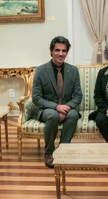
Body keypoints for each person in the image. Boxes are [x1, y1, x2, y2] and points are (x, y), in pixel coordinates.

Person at [32, 36, 83, 168]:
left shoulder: (73, 70)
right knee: (53, 115)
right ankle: (49, 152)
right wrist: (56, 107)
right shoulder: (40, 70)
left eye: (64, 51)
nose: (61, 54)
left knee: (73, 115)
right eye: (57, 50)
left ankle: (63, 151)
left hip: (67, 106)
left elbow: (78, 96)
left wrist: (66, 107)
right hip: (47, 108)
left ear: (67, 52)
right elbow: (36, 98)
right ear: (51, 51)